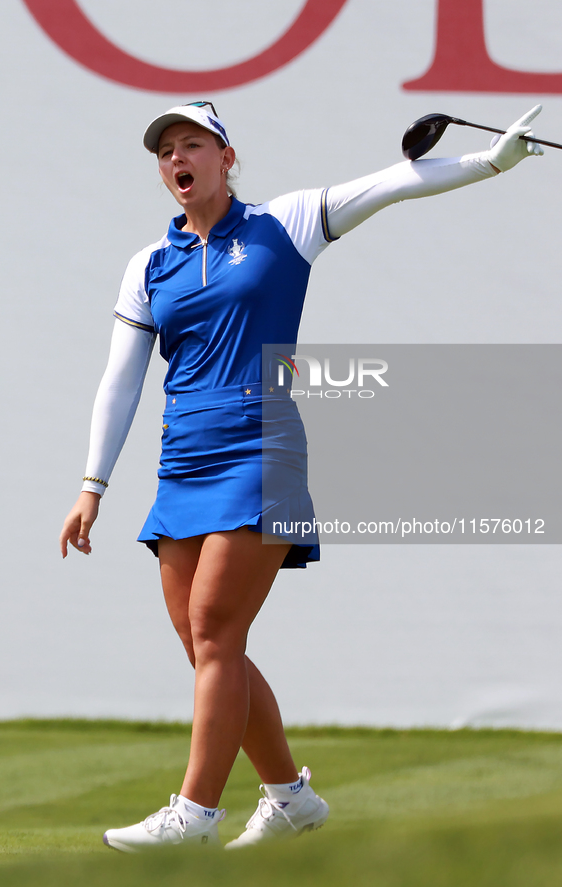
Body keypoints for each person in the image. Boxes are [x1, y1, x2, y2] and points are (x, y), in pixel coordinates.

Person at [59, 101, 544, 851]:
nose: (177, 159)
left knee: (217, 628)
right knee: (203, 643)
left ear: (227, 156)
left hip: (262, 444)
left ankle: (194, 811)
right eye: (165, 151)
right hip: (181, 456)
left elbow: (393, 183)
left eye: (193, 144)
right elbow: (119, 381)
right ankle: (289, 796)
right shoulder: (148, 264)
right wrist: (93, 485)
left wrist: (489, 162)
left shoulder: (285, 222)